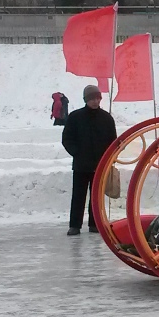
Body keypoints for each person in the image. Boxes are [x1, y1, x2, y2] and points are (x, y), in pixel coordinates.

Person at [61, 85, 117, 235]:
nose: (95, 101)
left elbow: (113, 141)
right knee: (78, 195)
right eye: (92, 98)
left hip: (100, 164)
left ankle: (94, 223)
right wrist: (76, 153)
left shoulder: (107, 118)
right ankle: (75, 225)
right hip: (81, 165)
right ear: (86, 100)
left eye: (97, 98)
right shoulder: (75, 117)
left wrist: (110, 157)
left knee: (96, 196)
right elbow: (67, 139)